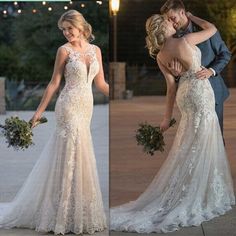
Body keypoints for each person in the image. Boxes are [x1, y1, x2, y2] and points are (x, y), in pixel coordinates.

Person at [110, 12, 235, 233]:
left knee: (189, 140)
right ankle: (199, 191)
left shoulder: (160, 56)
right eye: (169, 21)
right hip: (199, 89)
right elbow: (213, 28)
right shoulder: (185, 40)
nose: (172, 22)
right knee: (203, 138)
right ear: (164, 28)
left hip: (184, 94)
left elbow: (170, 89)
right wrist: (192, 17)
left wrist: (166, 118)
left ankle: (191, 187)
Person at [0, 10, 108, 235]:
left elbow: (101, 83)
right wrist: (38, 112)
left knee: (82, 153)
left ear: (80, 26)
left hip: (86, 107)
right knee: (70, 151)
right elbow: (54, 83)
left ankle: (77, 210)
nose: (66, 33)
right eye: (63, 30)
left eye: (69, 28)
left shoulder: (96, 50)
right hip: (68, 106)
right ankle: (62, 213)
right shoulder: (64, 51)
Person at [160, 0, 231, 136]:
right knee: (195, 139)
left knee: (215, 138)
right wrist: (176, 74)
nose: (171, 22)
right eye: (168, 20)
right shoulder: (173, 38)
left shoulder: (205, 29)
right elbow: (178, 74)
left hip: (213, 91)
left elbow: (225, 54)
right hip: (192, 97)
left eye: (173, 18)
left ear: (182, 12)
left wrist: (211, 71)